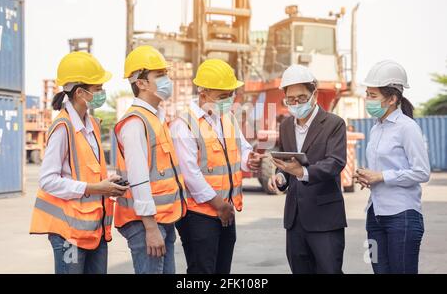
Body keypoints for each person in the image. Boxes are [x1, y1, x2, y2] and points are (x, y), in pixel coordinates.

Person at [30, 52, 128, 274]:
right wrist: (94, 188)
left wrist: (107, 182)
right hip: (68, 234)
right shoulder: (62, 127)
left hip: (94, 230)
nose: (102, 93)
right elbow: (47, 180)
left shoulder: (91, 124)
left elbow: (87, 172)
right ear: (80, 93)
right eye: (98, 88)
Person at [170, 59, 265, 274]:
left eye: (231, 94)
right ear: (203, 93)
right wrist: (219, 205)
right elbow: (190, 175)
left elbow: (242, 148)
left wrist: (249, 158)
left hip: (225, 209)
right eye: (223, 96)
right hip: (199, 215)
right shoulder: (183, 124)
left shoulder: (227, 118)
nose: (229, 100)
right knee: (202, 272)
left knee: (222, 271)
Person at [113, 45, 188, 274]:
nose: (167, 80)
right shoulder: (136, 123)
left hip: (162, 220)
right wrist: (150, 227)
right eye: (160, 75)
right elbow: (139, 179)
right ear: (141, 83)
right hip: (145, 224)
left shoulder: (155, 118)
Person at [268, 64, 347, 274]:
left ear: (314, 94)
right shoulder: (285, 125)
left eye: (302, 98)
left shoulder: (334, 124)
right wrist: (280, 178)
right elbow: (285, 163)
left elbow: (335, 162)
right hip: (295, 220)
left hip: (325, 219)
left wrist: (302, 172)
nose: (296, 103)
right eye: (291, 99)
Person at [353, 60, 430, 274]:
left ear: (392, 99)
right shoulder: (376, 129)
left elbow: (422, 172)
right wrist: (367, 177)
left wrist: (381, 176)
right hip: (375, 215)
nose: (367, 99)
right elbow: (381, 172)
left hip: (401, 217)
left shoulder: (407, 128)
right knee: (379, 271)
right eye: (367, 94)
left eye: (372, 95)